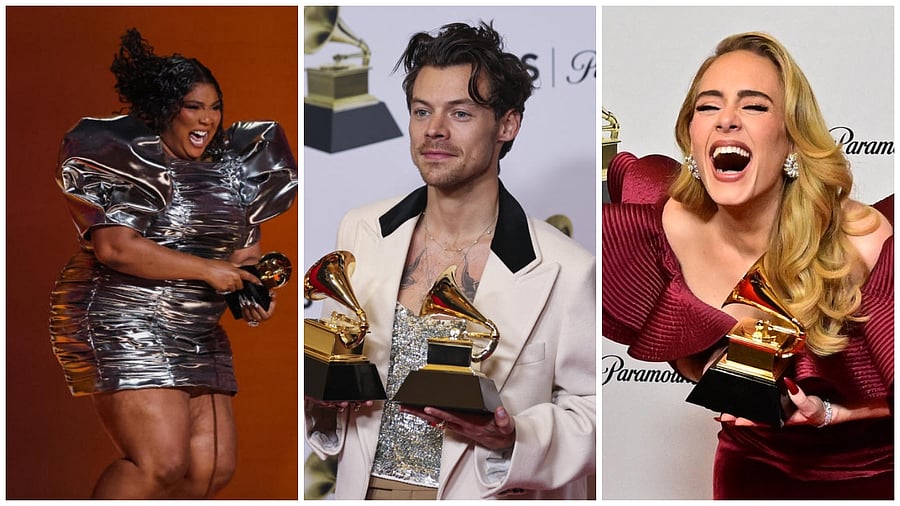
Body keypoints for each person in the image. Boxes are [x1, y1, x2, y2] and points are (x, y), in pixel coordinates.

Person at [304, 21, 595, 499]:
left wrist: (514, 438)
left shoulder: (567, 268)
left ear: (507, 125)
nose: (434, 130)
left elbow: (593, 411)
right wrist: (322, 402)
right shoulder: (361, 230)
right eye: (422, 111)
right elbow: (335, 372)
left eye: (460, 113)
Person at [602, 32, 893, 499]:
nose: (727, 119)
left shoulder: (861, 238)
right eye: (708, 106)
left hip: (869, 474)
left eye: (754, 106)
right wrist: (714, 368)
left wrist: (833, 413)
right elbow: (678, 337)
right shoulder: (661, 229)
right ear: (692, 136)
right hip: (749, 468)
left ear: (792, 141)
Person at [48, 28, 297, 499]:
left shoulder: (236, 167)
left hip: (197, 326)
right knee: (161, 463)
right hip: (126, 316)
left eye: (214, 107)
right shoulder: (129, 159)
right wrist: (208, 271)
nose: (207, 119)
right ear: (166, 110)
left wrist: (250, 289)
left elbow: (244, 251)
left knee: (210, 470)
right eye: (193, 107)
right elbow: (115, 248)